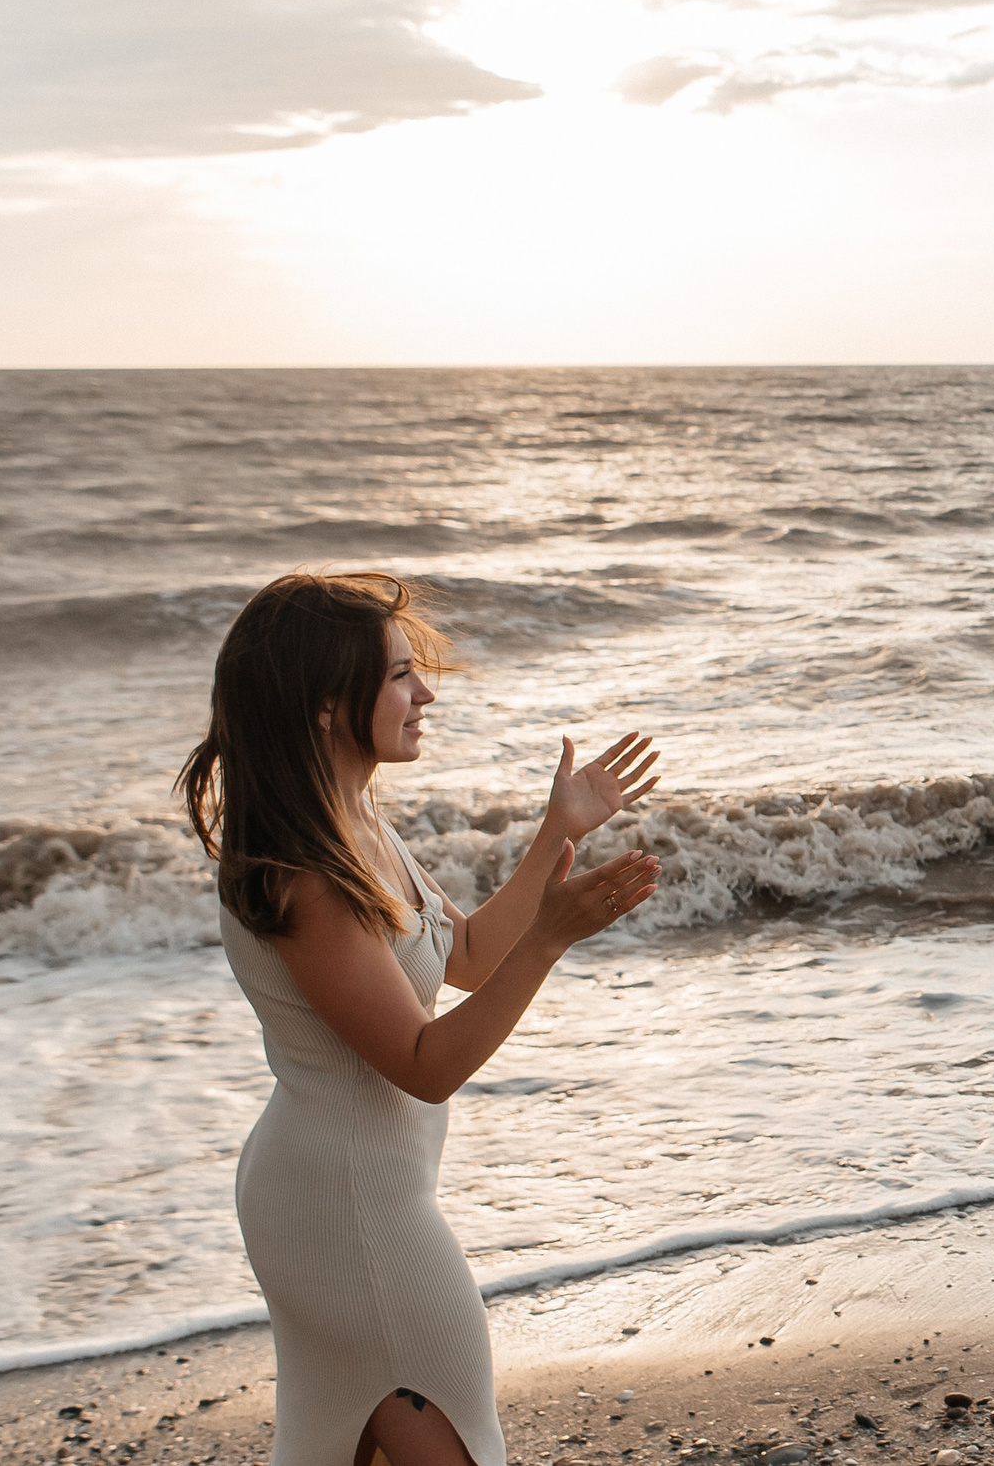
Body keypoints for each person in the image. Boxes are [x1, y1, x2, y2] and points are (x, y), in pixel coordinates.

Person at [178, 573, 664, 1466]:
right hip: (348, 1209)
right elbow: (423, 1061)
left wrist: (559, 829)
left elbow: (466, 951)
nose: (426, 694)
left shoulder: (355, 822)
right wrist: (549, 940)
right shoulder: (305, 872)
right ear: (328, 704)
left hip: (347, 1190)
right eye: (401, 676)